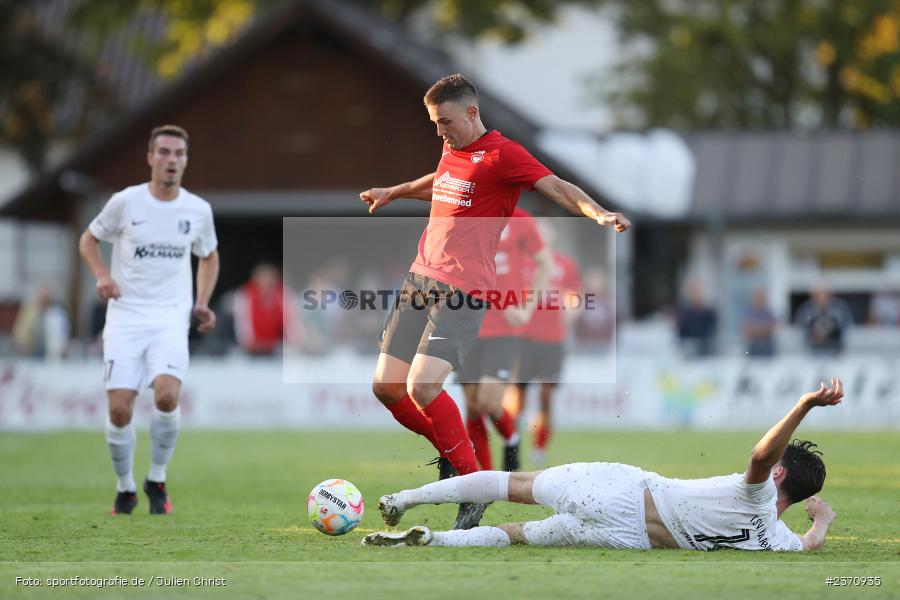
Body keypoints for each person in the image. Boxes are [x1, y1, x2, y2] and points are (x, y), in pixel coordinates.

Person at [359, 73, 629, 529]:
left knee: (424, 388)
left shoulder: (505, 154)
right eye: (434, 123)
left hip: (463, 289)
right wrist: (396, 191)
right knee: (386, 388)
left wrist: (598, 213)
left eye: (445, 121)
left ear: (471, 112)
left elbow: (557, 186)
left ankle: (472, 486)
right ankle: (456, 456)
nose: (439, 131)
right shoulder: (453, 148)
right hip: (419, 279)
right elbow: (442, 182)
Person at [363, 378, 842, 551]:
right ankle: (436, 540)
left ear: (779, 474)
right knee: (516, 534)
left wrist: (803, 405)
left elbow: (759, 456)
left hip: (622, 492)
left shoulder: (756, 492)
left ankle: (404, 499)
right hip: (628, 539)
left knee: (514, 484)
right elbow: (809, 543)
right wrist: (821, 521)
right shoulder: (776, 541)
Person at [78, 125, 219, 516]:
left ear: (185, 161)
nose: (172, 160)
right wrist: (102, 276)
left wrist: (202, 301)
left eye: (179, 154)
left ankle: (156, 479)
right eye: (165, 152)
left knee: (167, 396)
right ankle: (125, 487)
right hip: (125, 318)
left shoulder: (197, 209)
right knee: (120, 410)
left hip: (170, 319)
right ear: (151, 157)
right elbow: (88, 239)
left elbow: (208, 255)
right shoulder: (125, 202)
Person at [458, 206, 552, 473]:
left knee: (488, 402)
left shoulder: (520, 220)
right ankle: (484, 476)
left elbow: (546, 265)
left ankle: (512, 439)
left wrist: (527, 309)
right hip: (466, 325)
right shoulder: (464, 215)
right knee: (472, 406)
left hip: (503, 328)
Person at [507, 220, 583, 467]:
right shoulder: (520, 263)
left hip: (553, 340)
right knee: (517, 397)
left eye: (545, 232)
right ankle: (513, 442)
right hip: (523, 340)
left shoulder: (565, 265)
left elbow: (574, 296)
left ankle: (539, 447)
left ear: (553, 236)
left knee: (547, 397)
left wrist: (571, 311)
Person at [233, 263, 298, 356]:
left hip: (278, 349)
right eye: (264, 278)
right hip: (252, 351)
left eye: (270, 279)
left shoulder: (285, 294)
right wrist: (250, 344)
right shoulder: (244, 296)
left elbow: (292, 325)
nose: (267, 283)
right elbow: (243, 326)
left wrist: (291, 343)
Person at [794, 285, 853, 356]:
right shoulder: (805, 309)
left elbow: (847, 327)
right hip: (811, 352)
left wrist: (829, 331)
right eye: (818, 295)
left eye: (825, 294)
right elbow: (800, 329)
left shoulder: (840, 308)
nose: (822, 297)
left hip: (836, 351)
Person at [676, 278, 717, 357]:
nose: (695, 294)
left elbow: (713, 333)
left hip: (709, 353)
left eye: (697, 290)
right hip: (691, 353)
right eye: (693, 291)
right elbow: (682, 336)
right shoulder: (685, 314)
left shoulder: (710, 313)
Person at [742, 287, 777, 357]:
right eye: (757, 297)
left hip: (767, 347)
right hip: (752, 347)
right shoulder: (748, 313)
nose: (759, 299)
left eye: (761, 297)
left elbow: (773, 329)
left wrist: (755, 330)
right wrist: (763, 329)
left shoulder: (770, 313)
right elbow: (746, 330)